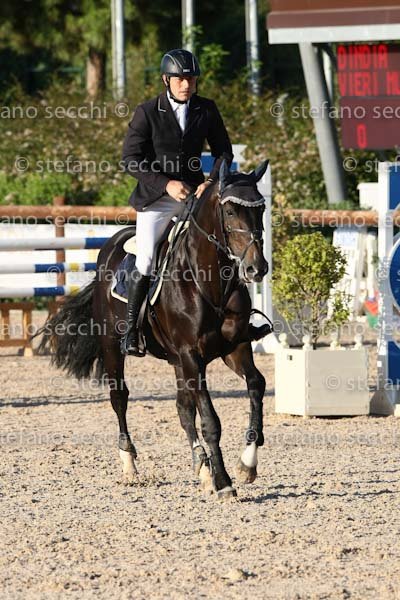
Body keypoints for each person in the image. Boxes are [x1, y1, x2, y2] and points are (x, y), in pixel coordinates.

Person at [121, 48, 233, 356]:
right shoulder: (147, 111)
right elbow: (130, 159)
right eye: (180, 79)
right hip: (157, 199)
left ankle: (237, 318)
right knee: (146, 258)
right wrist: (166, 184)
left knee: (223, 245)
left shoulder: (206, 109)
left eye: (191, 79)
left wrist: (210, 181)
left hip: (195, 196)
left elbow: (224, 151)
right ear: (166, 80)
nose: (186, 84)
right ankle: (131, 330)